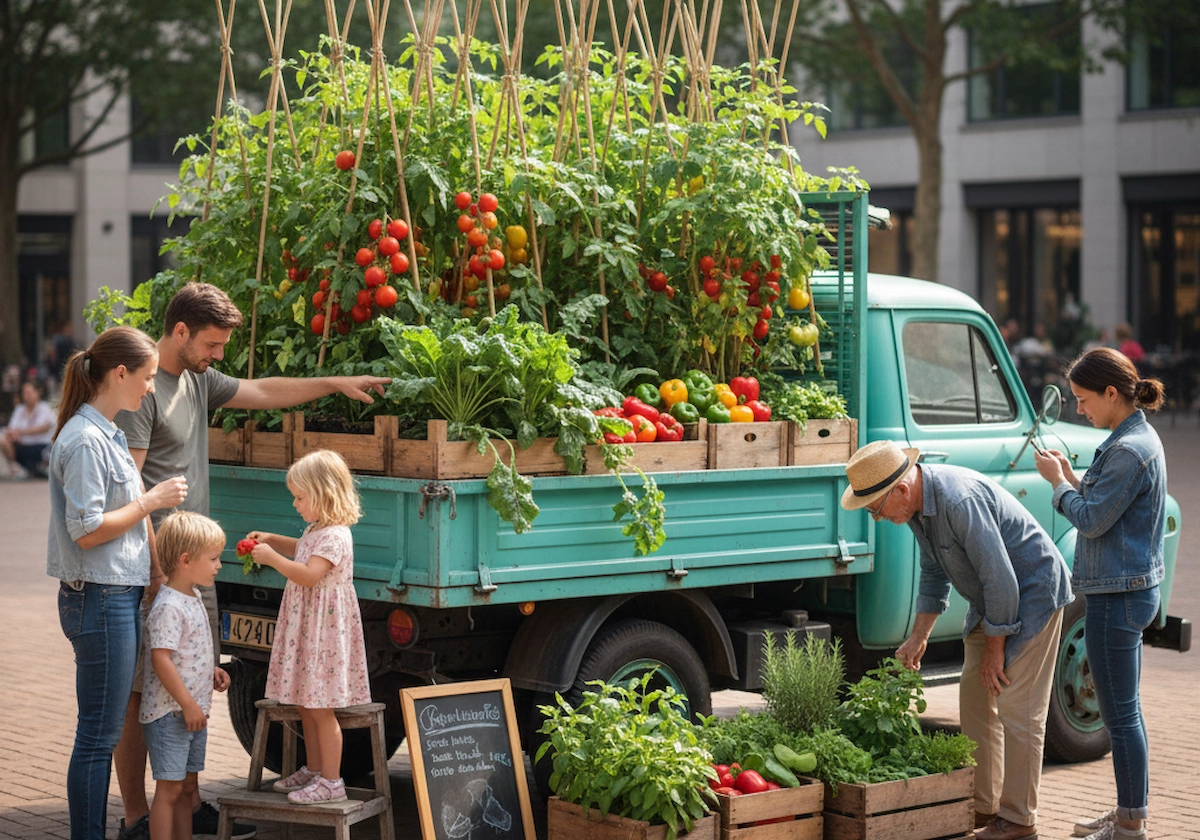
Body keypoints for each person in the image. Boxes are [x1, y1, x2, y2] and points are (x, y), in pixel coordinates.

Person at [112, 281, 389, 840]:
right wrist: (155, 574)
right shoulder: (145, 392)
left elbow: (262, 390)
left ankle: (188, 802)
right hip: (162, 568)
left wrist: (333, 382)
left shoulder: (197, 378)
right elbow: (130, 488)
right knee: (145, 692)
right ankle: (141, 817)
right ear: (181, 331)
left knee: (190, 677)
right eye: (212, 344)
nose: (219, 357)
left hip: (197, 567)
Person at [841, 440, 1072, 840]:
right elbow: (934, 575)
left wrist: (996, 650)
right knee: (975, 698)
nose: (877, 518)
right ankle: (985, 806)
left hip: (1033, 595)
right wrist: (918, 637)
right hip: (992, 602)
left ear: (900, 489)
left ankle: (1019, 821)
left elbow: (1001, 578)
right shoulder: (916, 510)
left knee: (1019, 708)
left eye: (875, 508)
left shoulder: (958, 500)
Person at [45, 327, 189, 840]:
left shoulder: (105, 431)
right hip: (100, 599)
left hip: (113, 595)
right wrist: (151, 501)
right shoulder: (86, 439)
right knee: (97, 737)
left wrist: (152, 574)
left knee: (99, 733)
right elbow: (86, 531)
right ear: (120, 373)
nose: (151, 388)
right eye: (148, 378)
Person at [1034, 348, 1166, 840]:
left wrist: (1056, 486)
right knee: (1126, 711)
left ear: (1113, 394)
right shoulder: (1132, 438)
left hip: (1117, 594)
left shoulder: (1131, 448)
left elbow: (1090, 519)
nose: (1080, 409)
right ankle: (1130, 811)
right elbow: (1101, 503)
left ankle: (1130, 825)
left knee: (1121, 715)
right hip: (1124, 588)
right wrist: (1071, 475)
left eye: (1084, 399)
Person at [245, 449, 371, 804]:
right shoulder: (318, 529)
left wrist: (272, 559)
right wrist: (272, 539)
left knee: (321, 706)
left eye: (300, 497)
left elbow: (309, 575)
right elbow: (303, 549)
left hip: (323, 633)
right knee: (306, 702)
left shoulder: (335, 535)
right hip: (310, 628)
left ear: (323, 493)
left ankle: (332, 782)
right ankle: (316, 771)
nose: (295, 504)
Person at [141, 512, 231, 840]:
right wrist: (188, 704)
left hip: (191, 713)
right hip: (171, 714)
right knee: (169, 789)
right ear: (185, 560)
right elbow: (161, 659)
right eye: (213, 558)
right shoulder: (169, 606)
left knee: (186, 787)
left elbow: (186, 654)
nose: (219, 565)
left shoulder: (193, 596)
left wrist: (211, 672)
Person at [1, 379, 55, 478]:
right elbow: (11, 428)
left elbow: (44, 427)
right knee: (3, 438)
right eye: (24, 393)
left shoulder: (45, 408)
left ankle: (39, 468)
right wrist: (12, 434)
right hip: (22, 445)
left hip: (41, 447)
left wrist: (21, 432)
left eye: (29, 392)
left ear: (38, 392)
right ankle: (17, 468)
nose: (27, 395)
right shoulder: (19, 410)